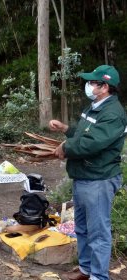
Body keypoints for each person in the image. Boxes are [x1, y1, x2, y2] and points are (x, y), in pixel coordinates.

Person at [48, 65, 127, 280]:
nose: (89, 85)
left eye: (93, 82)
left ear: (105, 87)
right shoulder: (93, 107)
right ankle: (85, 270)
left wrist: (65, 148)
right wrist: (66, 129)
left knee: (98, 233)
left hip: (99, 179)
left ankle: (99, 276)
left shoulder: (113, 114)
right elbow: (83, 133)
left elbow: (92, 143)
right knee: (82, 228)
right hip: (83, 176)